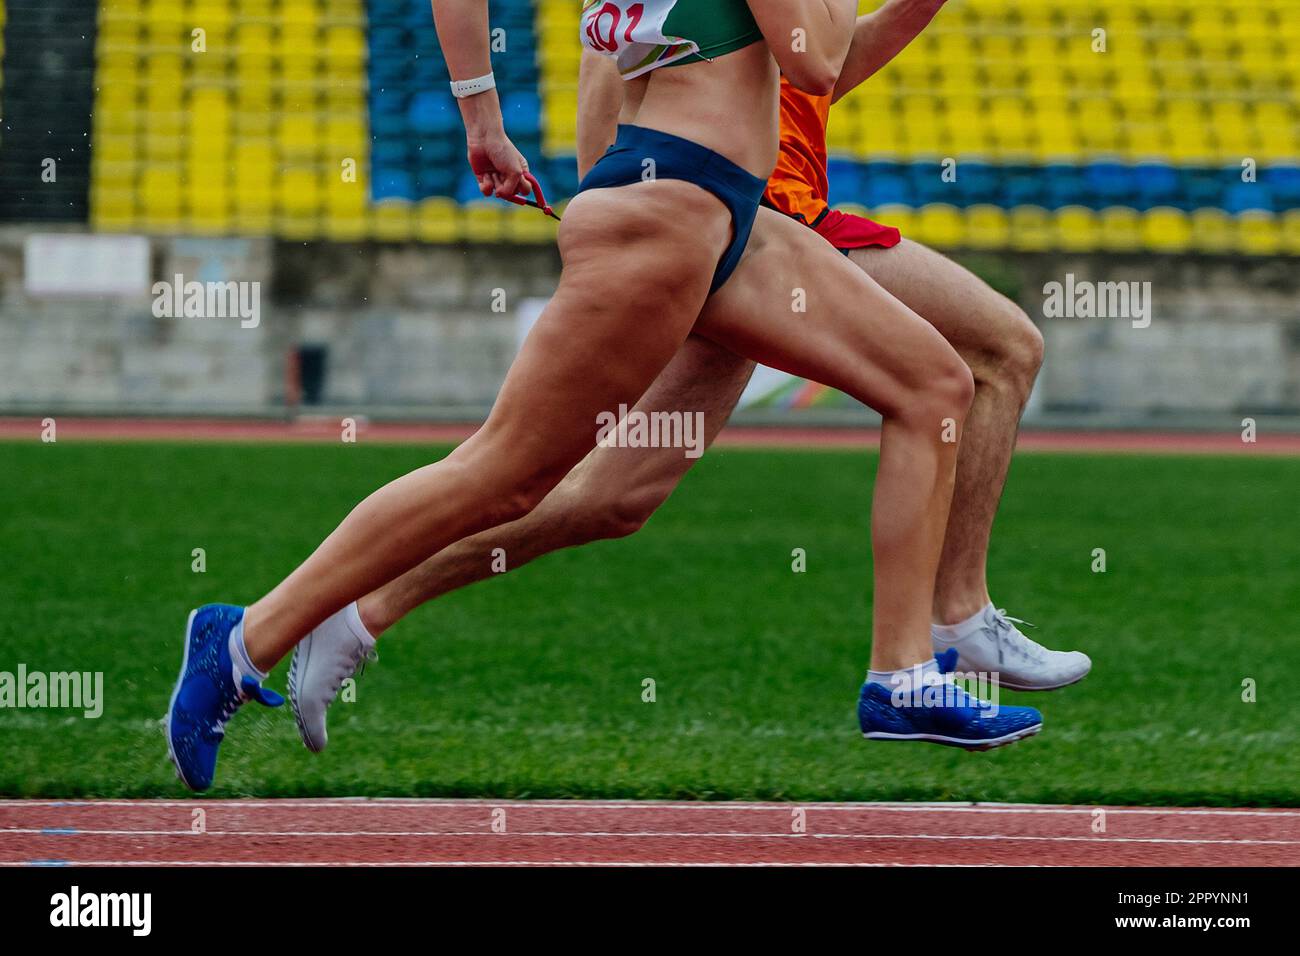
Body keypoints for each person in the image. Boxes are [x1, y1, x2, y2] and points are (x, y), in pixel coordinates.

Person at [167, 0, 1039, 792]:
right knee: (504, 474)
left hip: (722, 211)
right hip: (671, 209)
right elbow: (815, 61)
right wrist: (484, 121)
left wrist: (483, 118)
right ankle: (246, 636)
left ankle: (903, 677)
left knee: (933, 387)